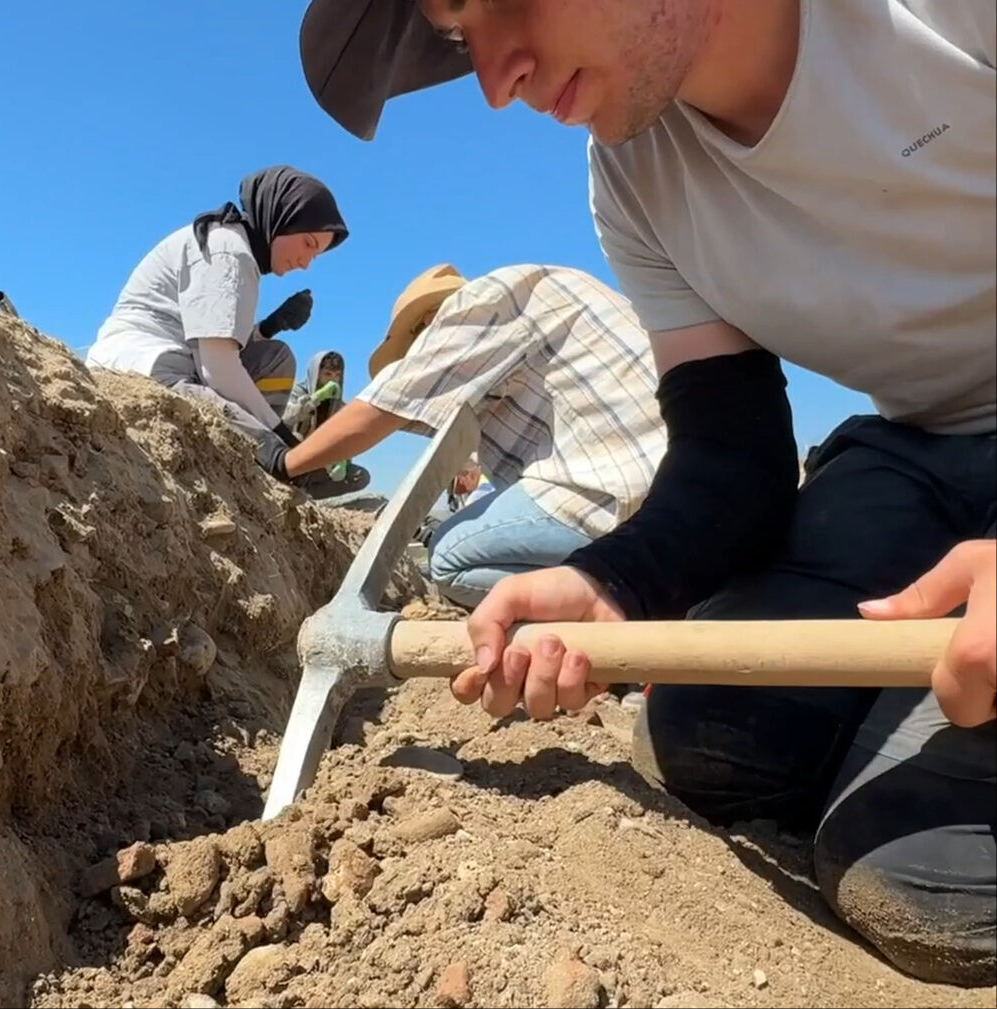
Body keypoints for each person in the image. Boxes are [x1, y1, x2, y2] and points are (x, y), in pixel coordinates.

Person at [294, 0, 996, 985]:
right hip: (911, 452)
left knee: (920, 877)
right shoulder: (632, 172)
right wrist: (613, 579)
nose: (496, 86)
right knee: (706, 739)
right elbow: (731, 452)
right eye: (461, 43)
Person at [262, 262, 667, 607]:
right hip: (684, 477)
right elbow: (403, 413)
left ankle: (625, 607)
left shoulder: (476, 305)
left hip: (627, 486)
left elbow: (384, 409)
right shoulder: (544, 298)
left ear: (427, 323)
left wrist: (287, 462)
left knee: (450, 557)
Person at [85, 165, 349, 463]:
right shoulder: (229, 251)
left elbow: (214, 343)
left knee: (277, 356)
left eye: (315, 255)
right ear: (281, 217)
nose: (306, 263)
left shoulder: (236, 247)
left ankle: (262, 461)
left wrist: (269, 327)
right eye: (308, 244)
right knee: (212, 405)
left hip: (186, 359)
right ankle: (272, 462)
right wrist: (278, 438)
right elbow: (218, 368)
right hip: (147, 363)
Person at [283, 349, 373, 495]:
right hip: (292, 455)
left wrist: (343, 460)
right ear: (316, 374)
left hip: (320, 462)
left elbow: (345, 437)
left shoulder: (339, 406)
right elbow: (287, 418)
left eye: (337, 376)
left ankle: (307, 494)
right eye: (327, 374)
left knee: (359, 476)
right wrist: (315, 399)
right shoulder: (297, 393)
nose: (332, 380)